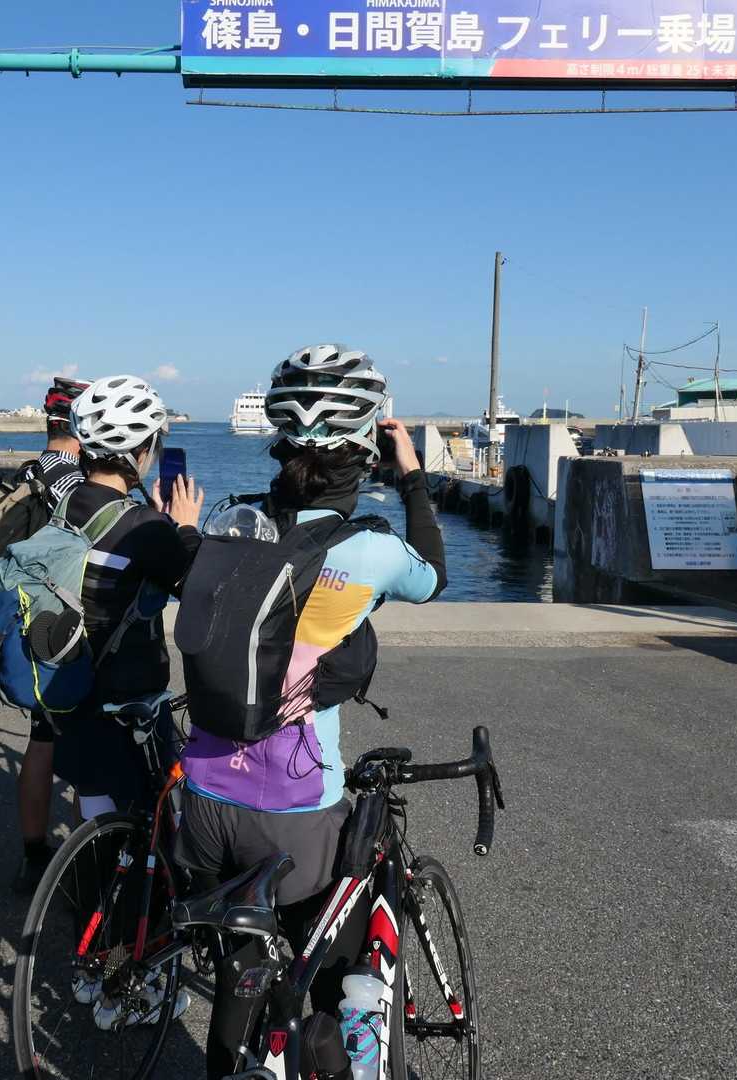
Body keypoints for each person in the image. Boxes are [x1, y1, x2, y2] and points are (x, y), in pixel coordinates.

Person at [175, 345, 446, 1078]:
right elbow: (434, 575)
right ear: (364, 450)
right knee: (332, 981)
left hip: (203, 796)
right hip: (293, 807)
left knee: (240, 967)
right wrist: (411, 474)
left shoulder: (232, 524)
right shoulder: (370, 550)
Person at [51, 374, 204, 819]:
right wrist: (185, 527)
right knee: (157, 817)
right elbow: (195, 588)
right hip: (129, 700)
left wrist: (157, 523)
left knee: (95, 805)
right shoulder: (145, 527)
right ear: (141, 452)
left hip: (71, 685)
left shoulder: (64, 506)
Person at [13, 376, 88, 892]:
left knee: (41, 738)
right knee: (85, 746)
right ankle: (86, 860)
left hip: (31, 618)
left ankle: (33, 855)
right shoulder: (74, 482)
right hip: (68, 626)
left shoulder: (30, 471)